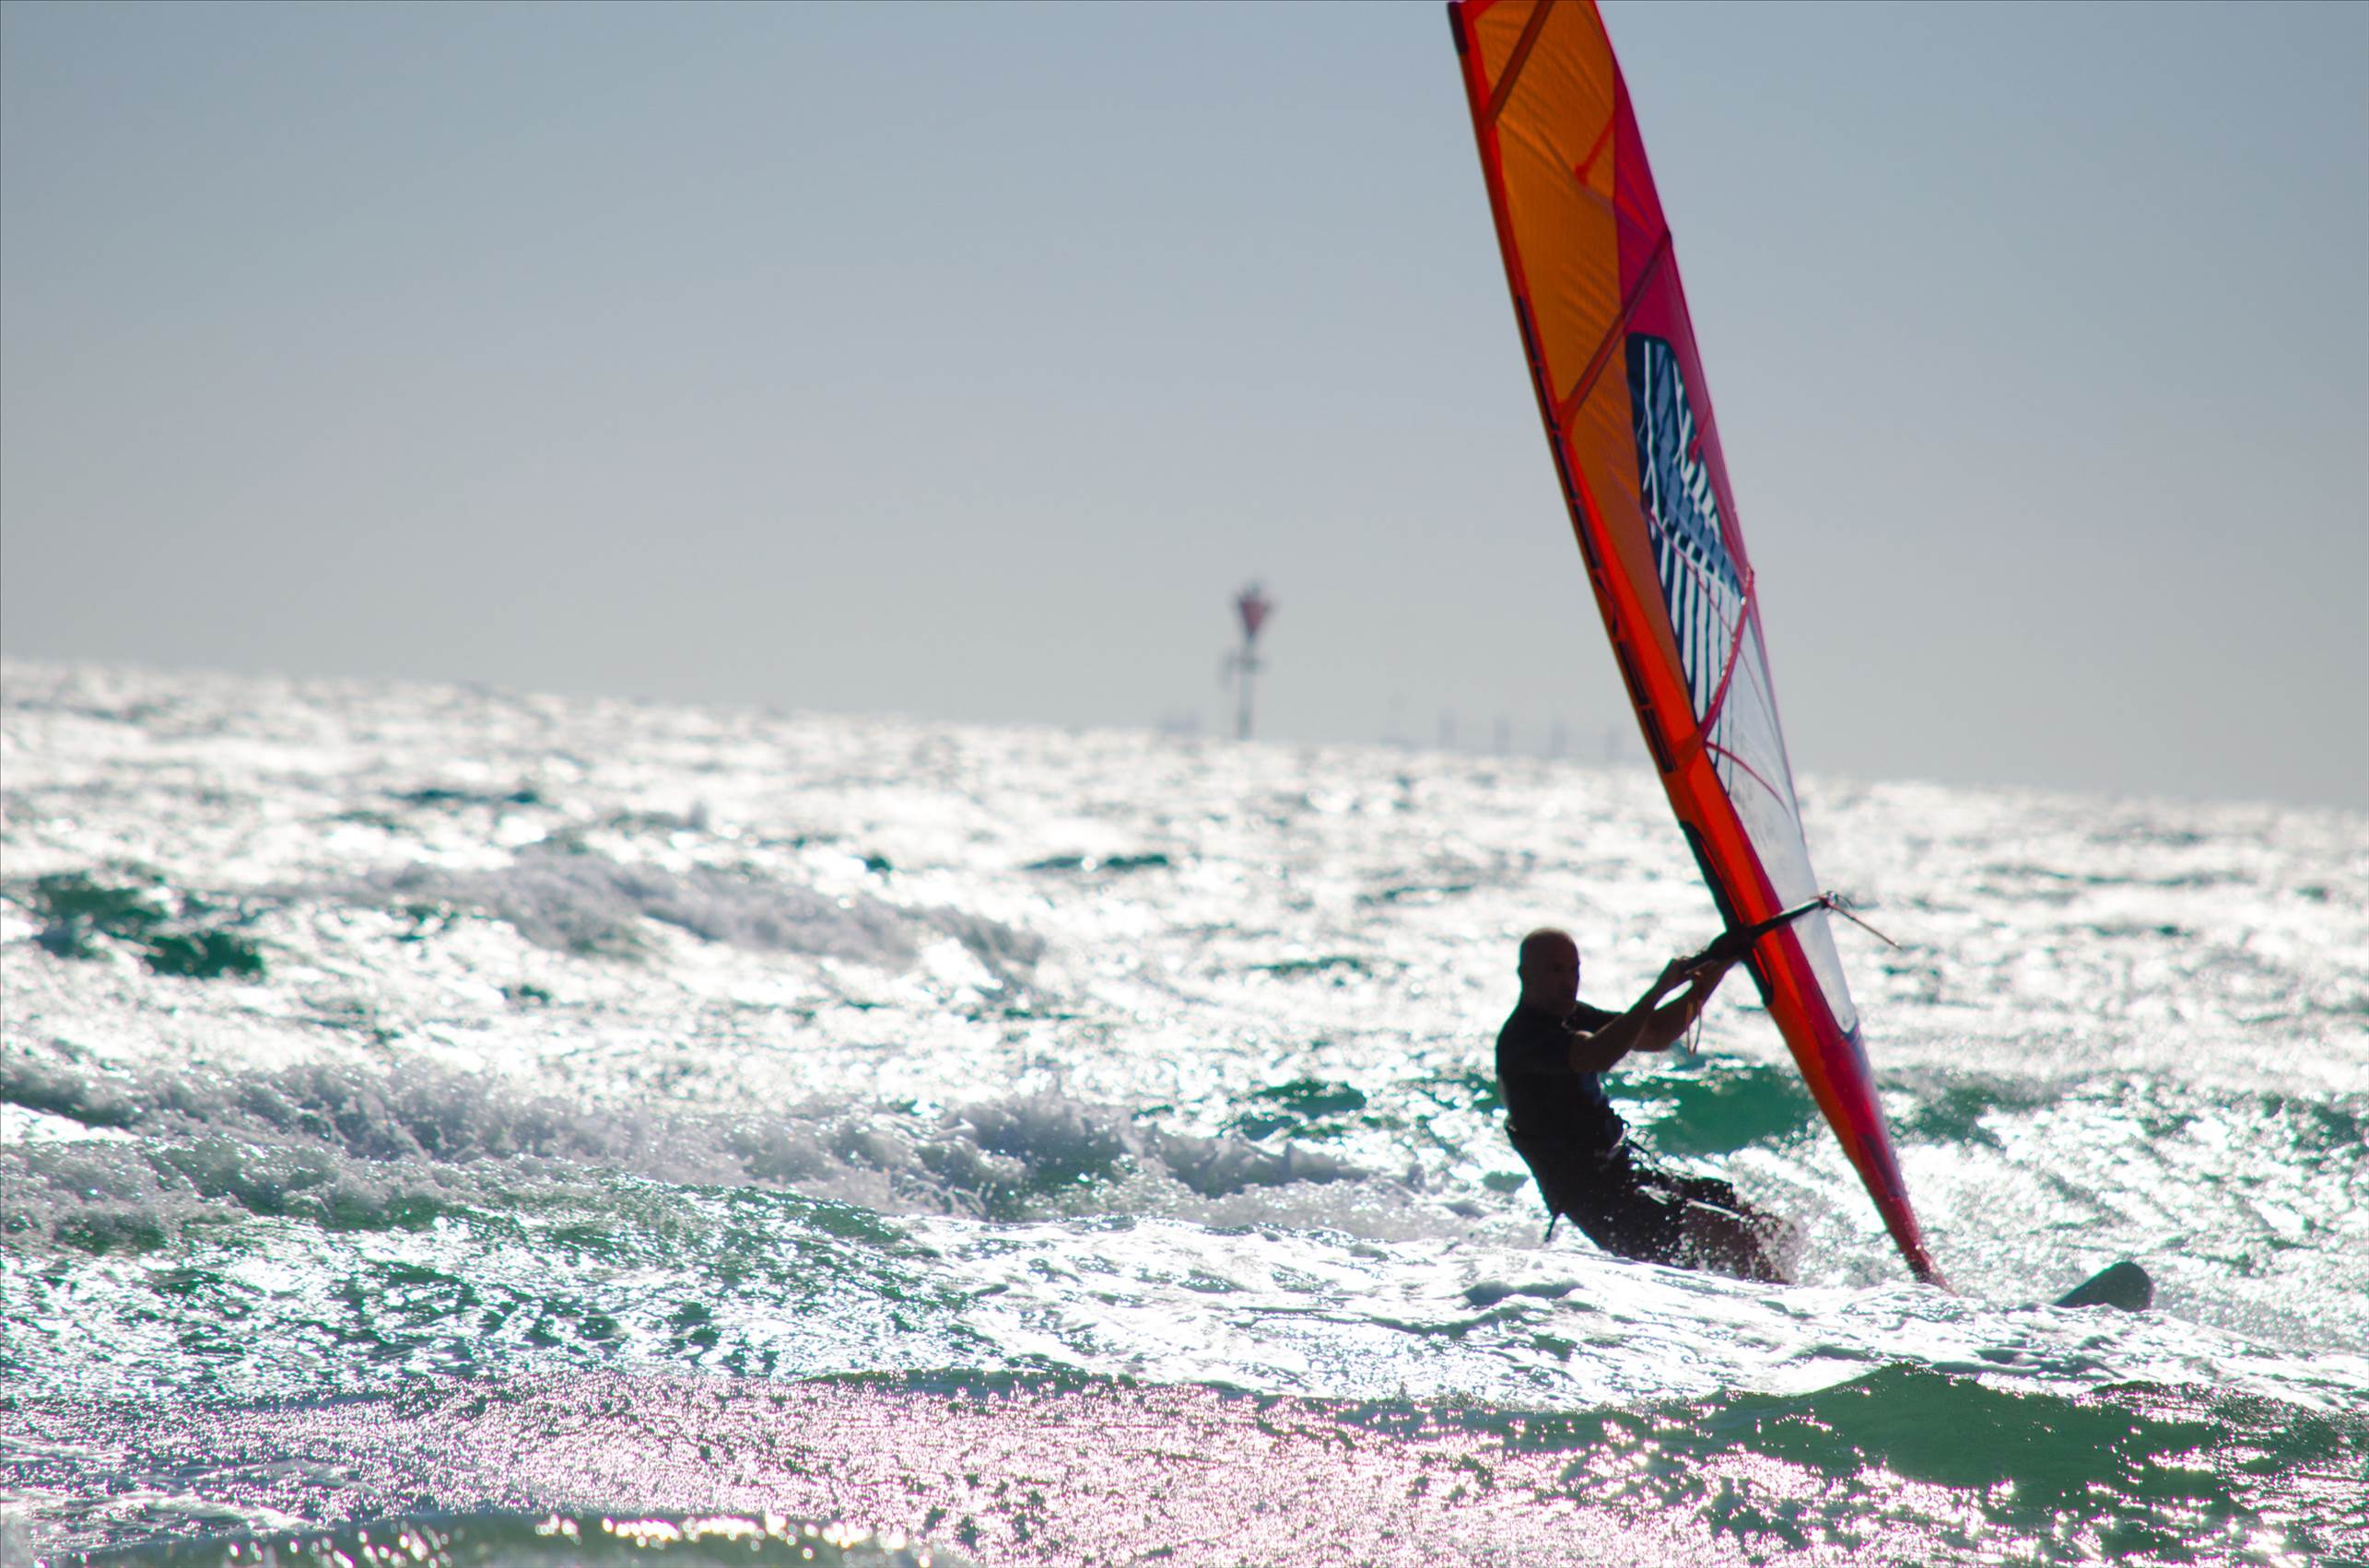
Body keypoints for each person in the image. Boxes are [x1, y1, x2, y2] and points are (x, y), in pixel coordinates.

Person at [1495, 926, 1791, 1281]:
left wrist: (1719, 966)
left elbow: (1657, 1033)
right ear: (1524, 975)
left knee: (1766, 1226)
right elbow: (1598, 1054)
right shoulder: (1522, 1040)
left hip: (1631, 1174)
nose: (1568, 981)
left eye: (1574, 970)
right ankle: (1789, 1306)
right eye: (1556, 970)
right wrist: (1658, 990)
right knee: (1731, 1232)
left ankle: (1795, 1296)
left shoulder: (1572, 1015)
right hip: (1603, 1204)